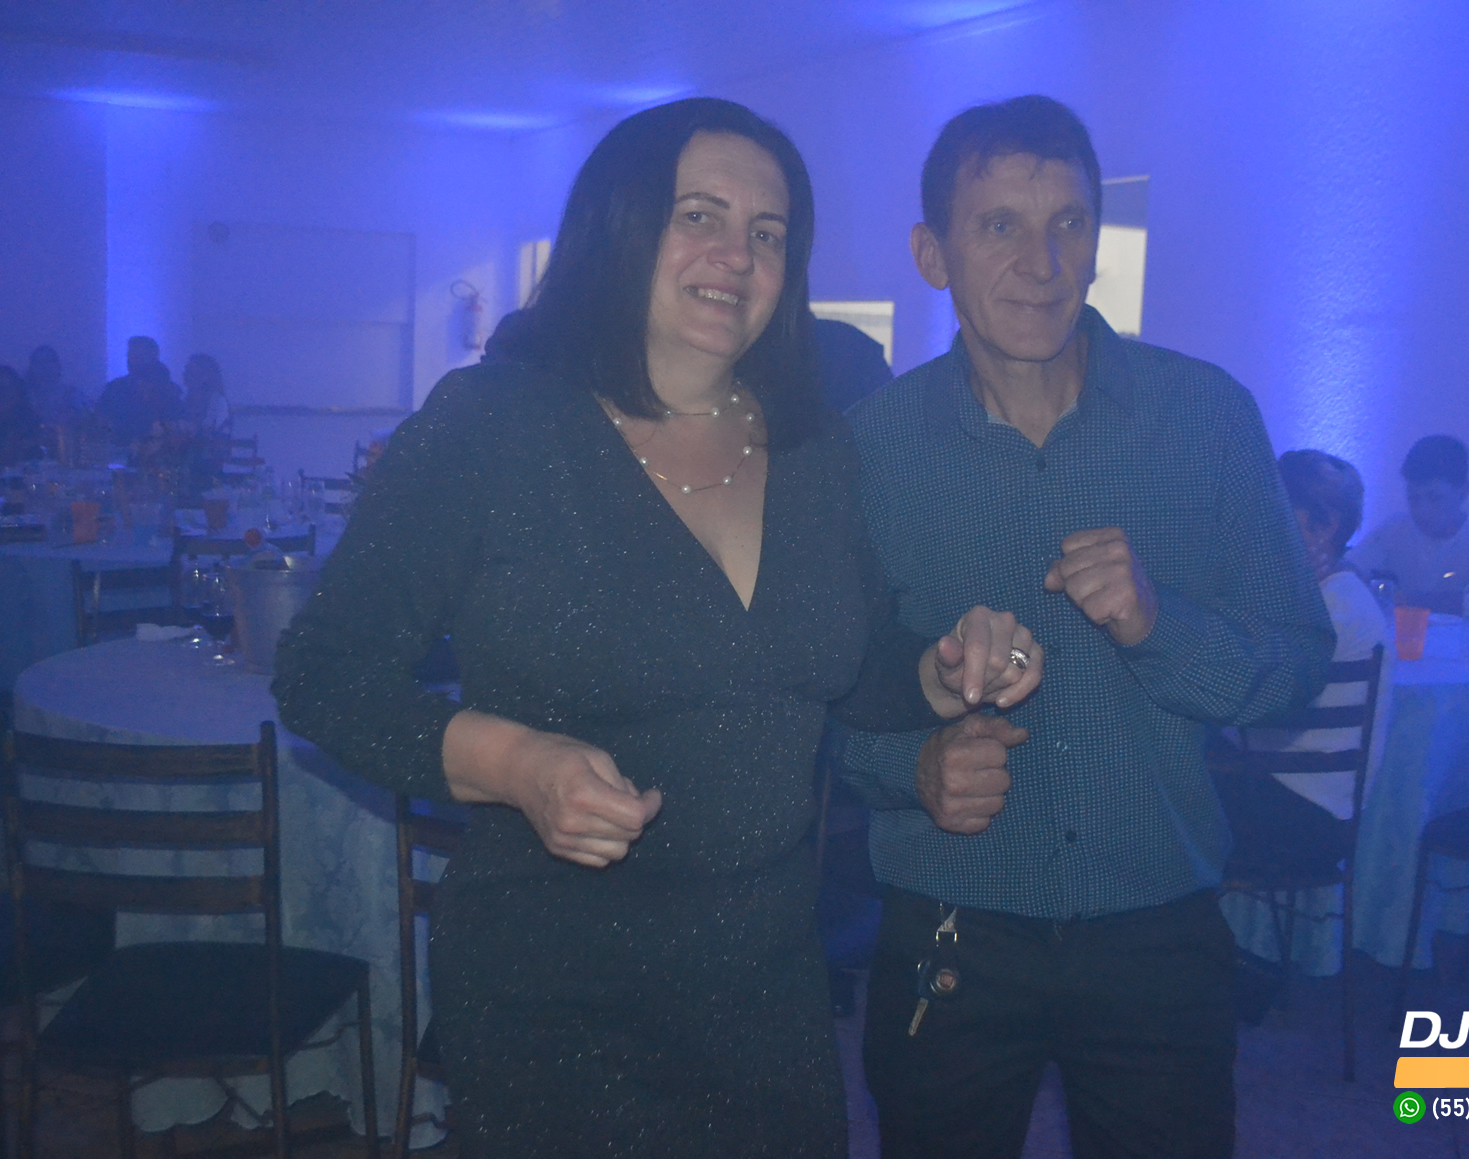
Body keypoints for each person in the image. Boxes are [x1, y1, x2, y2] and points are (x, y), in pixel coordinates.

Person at [272, 98, 1043, 1158]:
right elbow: (321, 673)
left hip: (768, 991)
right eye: (699, 215)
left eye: (767, 232)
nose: (737, 255)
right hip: (558, 1000)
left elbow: (849, 663)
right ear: (622, 224)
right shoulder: (493, 425)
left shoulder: (814, 450)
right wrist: (514, 763)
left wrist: (943, 671)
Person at [842, 96, 1332, 1159]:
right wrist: (911, 766)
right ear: (931, 253)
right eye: (1000, 225)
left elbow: (1297, 660)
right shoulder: (865, 450)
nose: (1043, 262)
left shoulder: (1208, 418)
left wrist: (1161, 624)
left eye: (1069, 222)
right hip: (950, 924)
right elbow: (823, 693)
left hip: (1158, 925)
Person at [1213, 450, 1392, 882]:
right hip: (1296, 801)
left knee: (1154, 784)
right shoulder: (1331, 593)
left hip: (1300, 818)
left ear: (1325, 525)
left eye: (1273, 510)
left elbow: (1238, 696)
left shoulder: (1329, 609)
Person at [1346, 434, 1469, 617]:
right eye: (1413, 499)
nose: (1422, 510)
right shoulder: (1393, 529)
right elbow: (1344, 572)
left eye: (1435, 498)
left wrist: (1403, 600)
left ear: (1463, 491)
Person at [97, 336, 182, 446]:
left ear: (153, 358)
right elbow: (101, 420)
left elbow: (175, 426)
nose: (132, 361)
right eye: (130, 356)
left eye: (139, 357)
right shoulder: (115, 388)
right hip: (118, 450)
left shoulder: (169, 392)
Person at [22, 345, 85, 429]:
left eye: (49, 362)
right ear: (31, 368)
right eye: (39, 363)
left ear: (58, 367)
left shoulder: (73, 396)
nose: (45, 367)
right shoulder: (22, 397)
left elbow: (85, 422)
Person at [0, 366, 45, 467]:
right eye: (1, 387)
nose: (4, 393)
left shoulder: (29, 418)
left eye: (8, 387)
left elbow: (40, 451)